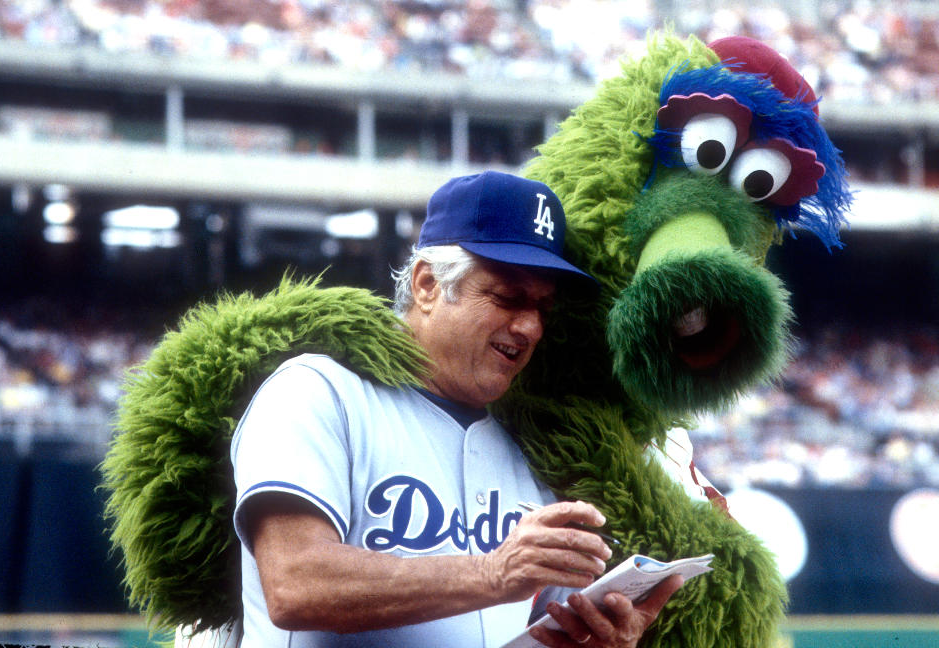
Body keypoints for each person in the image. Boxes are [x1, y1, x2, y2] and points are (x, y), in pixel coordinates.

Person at [230, 170, 683, 648]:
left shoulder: (535, 447)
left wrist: (598, 641)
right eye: (507, 297)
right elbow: (296, 584)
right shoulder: (319, 391)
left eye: (544, 310)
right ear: (427, 285)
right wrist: (493, 571)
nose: (529, 326)